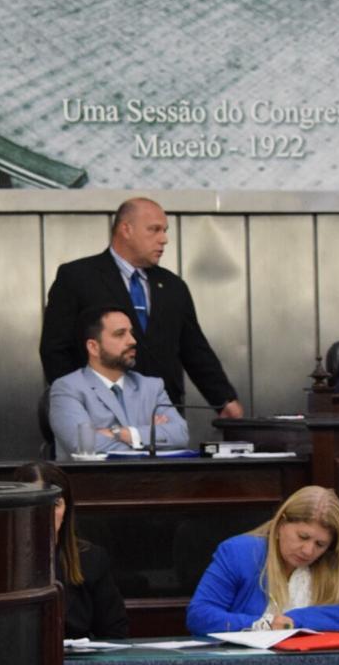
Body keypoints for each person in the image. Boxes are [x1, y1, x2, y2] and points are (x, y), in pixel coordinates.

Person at [39, 198, 244, 418]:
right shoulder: (77, 277)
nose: (164, 239)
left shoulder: (173, 287)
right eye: (154, 230)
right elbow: (55, 350)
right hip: (100, 415)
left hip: (163, 415)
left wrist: (224, 400)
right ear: (126, 229)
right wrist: (80, 401)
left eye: (164, 231)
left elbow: (195, 350)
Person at [186, 486, 339, 634]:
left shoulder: (330, 561)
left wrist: (295, 620)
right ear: (281, 524)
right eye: (303, 537)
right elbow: (199, 616)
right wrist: (264, 624)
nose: (308, 551)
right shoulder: (239, 552)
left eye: (320, 544)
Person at [48, 306, 189, 459]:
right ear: (93, 347)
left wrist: (121, 433)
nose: (133, 341)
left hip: (152, 481)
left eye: (132, 333)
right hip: (92, 481)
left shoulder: (151, 387)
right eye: (120, 334)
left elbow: (180, 435)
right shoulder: (68, 388)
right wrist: (150, 436)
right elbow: (84, 445)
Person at [12, 461, 128, 639]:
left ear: (66, 509)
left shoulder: (91, 559)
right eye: (37, 501)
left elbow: (115, 633)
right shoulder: (0, 560)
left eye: (55, 504)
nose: (46, 512)